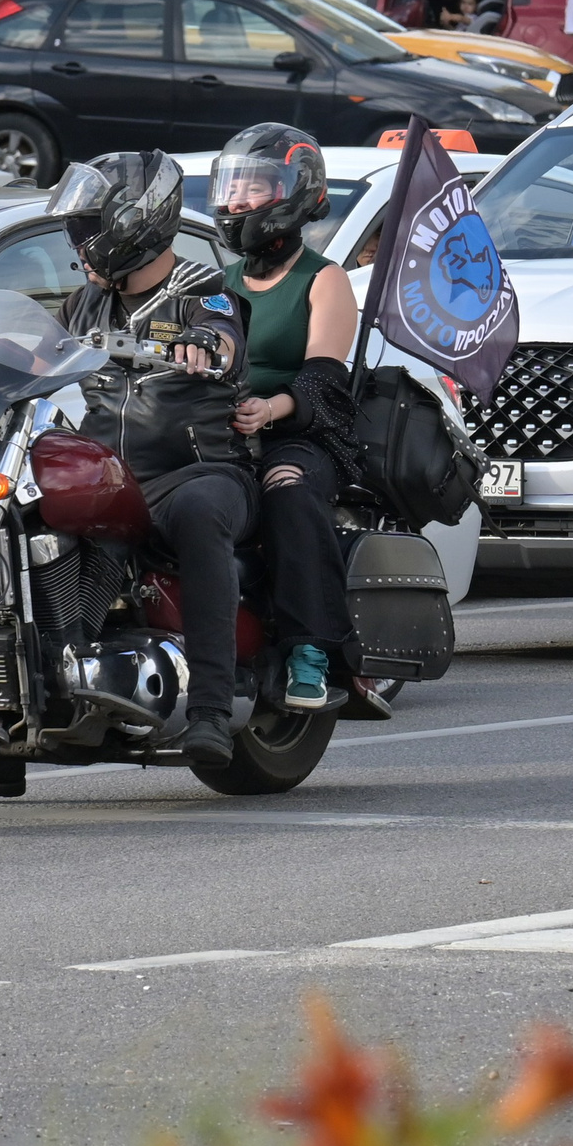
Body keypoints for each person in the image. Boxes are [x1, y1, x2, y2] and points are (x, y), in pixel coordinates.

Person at [43, 151, 251, 771]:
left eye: (89, 230)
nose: (79, 245)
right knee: (23, 516)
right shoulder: (85, 303)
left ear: (135, 224)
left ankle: (212, 711)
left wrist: (204, 344)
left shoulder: (201, 290)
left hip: (201, 469)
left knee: (198, 515)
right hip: (111, 478)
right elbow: (37, 350)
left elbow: (226, 339)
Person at [210, 124, 364, 718]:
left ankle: (310, 651)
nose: (240, 202)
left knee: (289, 492)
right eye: (233, 188)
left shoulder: (324, 279)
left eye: (256, 188)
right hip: (218, 434)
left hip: (299, 437)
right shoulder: (214, 286)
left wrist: (269, 410)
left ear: (298, 192)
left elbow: (323, 380)